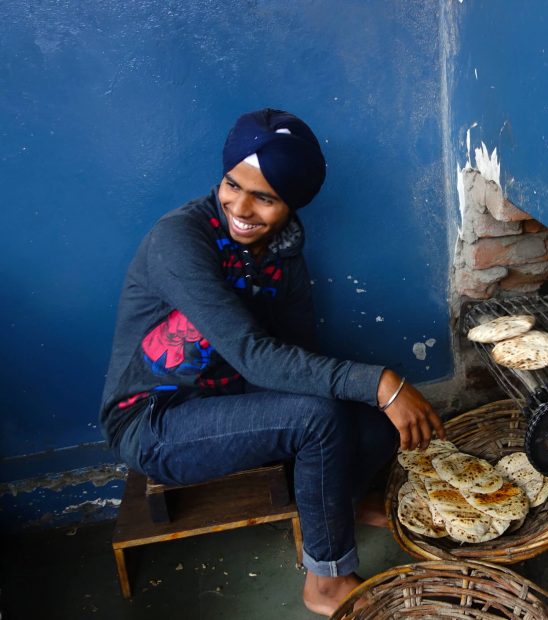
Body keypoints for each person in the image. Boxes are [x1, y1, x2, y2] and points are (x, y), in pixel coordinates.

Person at [99, 108, 445, 615]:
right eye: (231, 185)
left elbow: (297, 353)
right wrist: (382, 383)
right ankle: (324, 583)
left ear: (292, 203)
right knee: (321, 417)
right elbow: (255, 357)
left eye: (264, 197)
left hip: (233, 394)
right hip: (155, 419)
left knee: (370, 422)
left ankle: (341, 511)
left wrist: (375, 396)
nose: (241, 207)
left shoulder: (284, 252)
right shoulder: (180, 239)